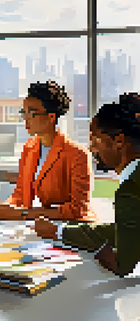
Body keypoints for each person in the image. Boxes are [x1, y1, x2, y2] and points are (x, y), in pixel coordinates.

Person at [33, 93, 140, 277]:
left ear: (119, 142)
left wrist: (93, 249)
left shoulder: (130, 192)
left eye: (95, 139)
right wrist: (58, 231)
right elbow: (125, 229)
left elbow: (121, 265)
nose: (91, 147)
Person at [0, 81, 93, 221]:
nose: (26, 120)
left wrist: (23, 214)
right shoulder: (29, 148)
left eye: (32, 114)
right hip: (33, 226)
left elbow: (77, 210)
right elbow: (21, 194)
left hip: (67, 231)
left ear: (51, 117)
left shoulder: (77, 154)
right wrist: (7, 207)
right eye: (24, 113)